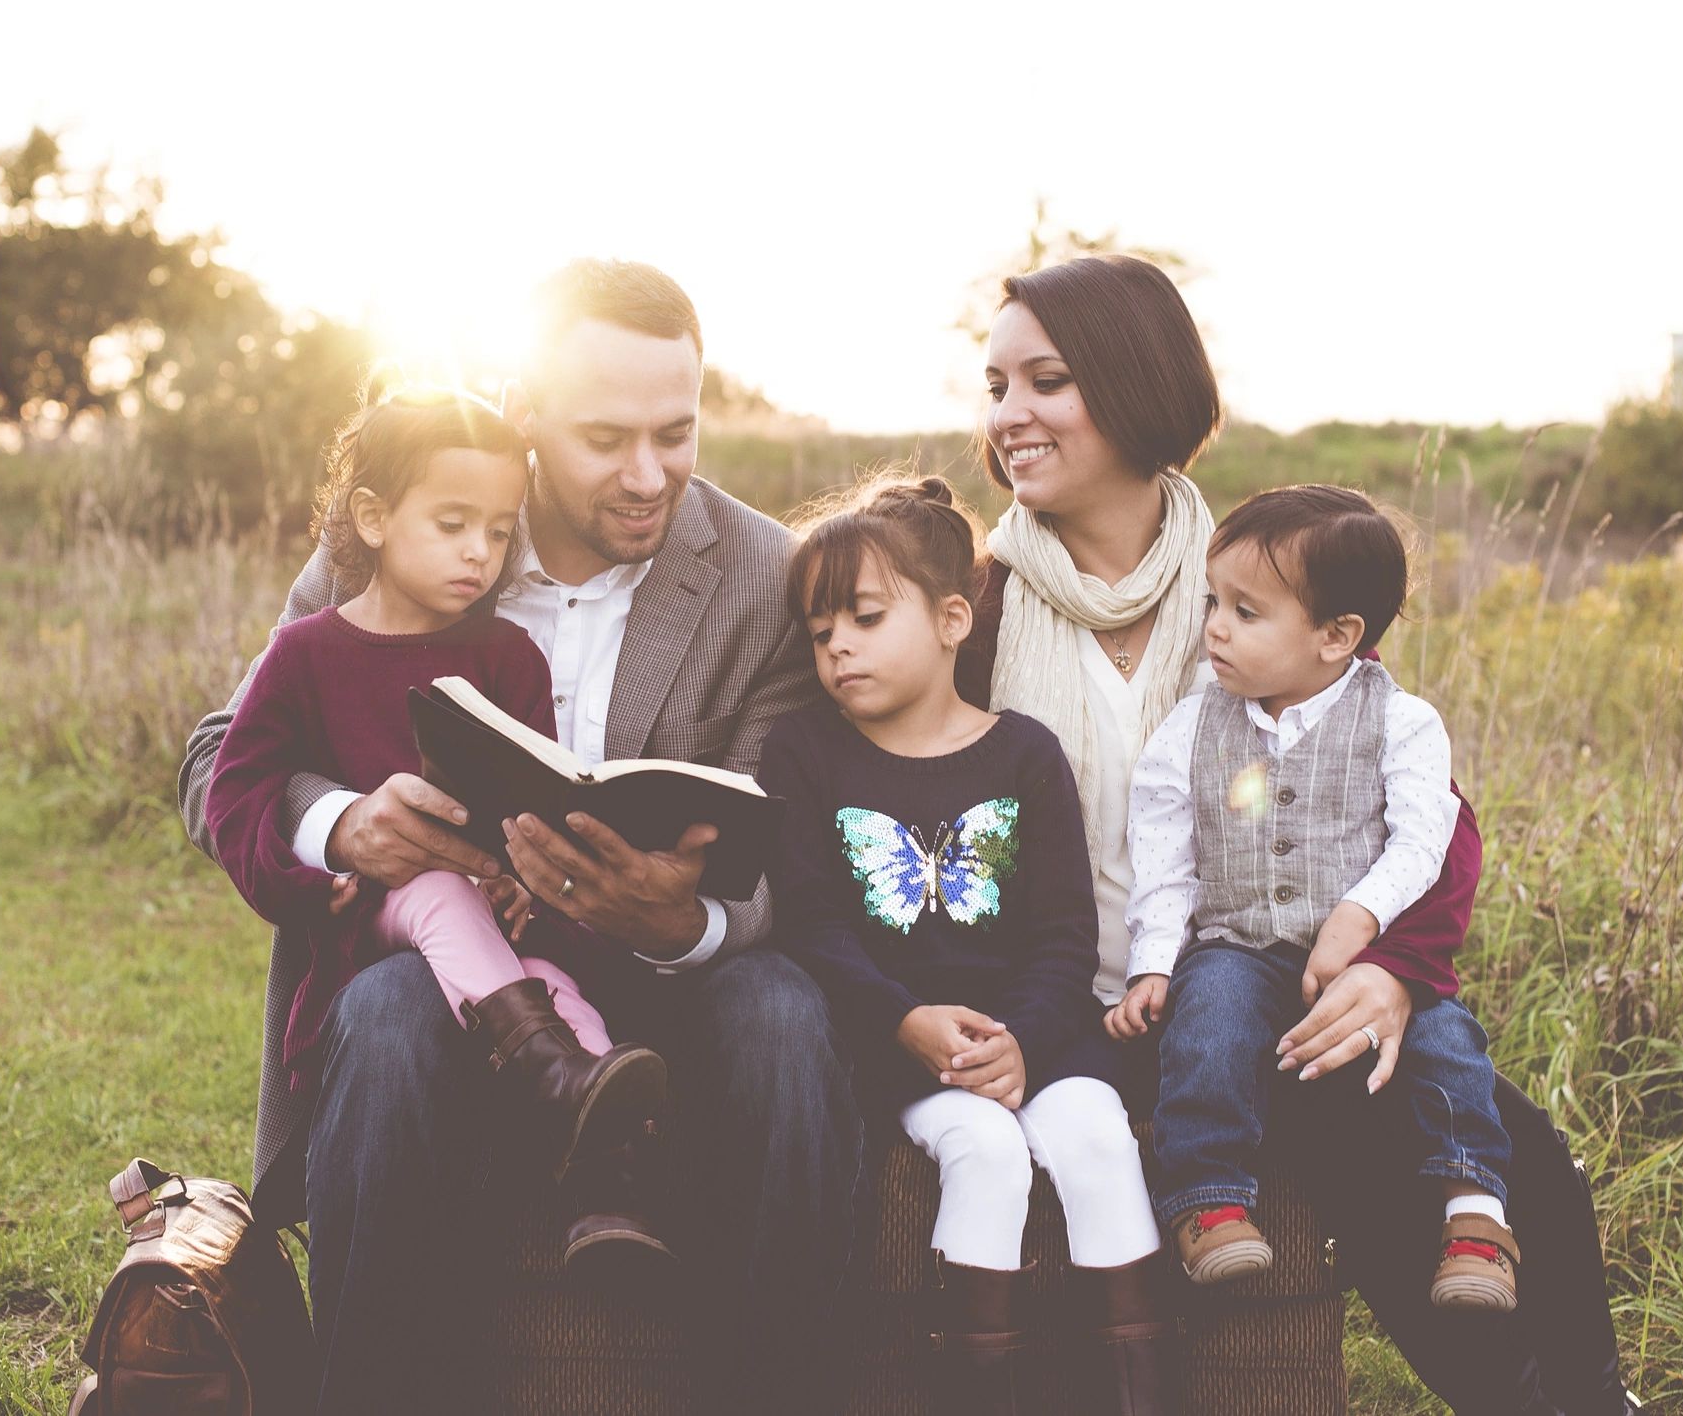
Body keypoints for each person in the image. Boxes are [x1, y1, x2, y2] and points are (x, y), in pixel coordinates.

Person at [954, 253, 1638, 1415]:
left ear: (1132, 385)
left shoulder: (1251, 583)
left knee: (1524, 1168)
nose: (1008, 415)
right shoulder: (976, 609)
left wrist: (1386, 969)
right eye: (995, 384)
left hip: (1269, 980)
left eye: (1047, 380)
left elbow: (1420, 815)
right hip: (1086, 1009)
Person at [176, 261, 854, 1416]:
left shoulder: (760, 578)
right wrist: (348, 825)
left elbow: (799, 829)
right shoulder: (407, 523)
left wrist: (686, 918)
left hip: (674, 973)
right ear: (527, 412)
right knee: (386, 1016)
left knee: (785, 1017)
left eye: (675, 433)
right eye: (604, 438)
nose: (648, 474)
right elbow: (215, 755)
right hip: (454, 964)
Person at [202, 386, 674, 1272]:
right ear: (373, 517)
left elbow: (534, 799)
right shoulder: (307, 652)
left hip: (492, 932)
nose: (480, 553)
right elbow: (234, 791)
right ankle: (543, 1066)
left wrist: (521, 876)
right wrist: (314, 879)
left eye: (499, 531)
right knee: (429, 885)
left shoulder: (506, 659)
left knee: (551, 978)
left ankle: (606, 1177)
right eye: (453, 523)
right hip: (369, 921)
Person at [766, 477, 1176, 1416]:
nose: (836, 646)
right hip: (894, 1049)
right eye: (819, 629)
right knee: (987, 1147)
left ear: (955, 618)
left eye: (864, 617)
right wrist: (906, 1020)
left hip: (1038, 1035)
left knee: (1096, 1134)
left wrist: (1024, 1037)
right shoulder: (805, 753)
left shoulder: (1024, 753)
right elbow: (812, 922)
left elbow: (1065, 931)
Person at [1109, 486, 1520, 1310]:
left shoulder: (1401, 722)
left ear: (1337, 637)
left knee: (1446, 1039)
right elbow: (1164, 846)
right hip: (1240, 940)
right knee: (1210, 1014)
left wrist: (1363, 914)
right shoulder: (1197, 721)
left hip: (1366, 956)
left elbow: (1422, 837)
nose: (1215, 626)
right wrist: (1154, 960)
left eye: (1246, 611)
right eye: (1212, 602)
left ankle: (1475, 1213)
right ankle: (1209, 1197)